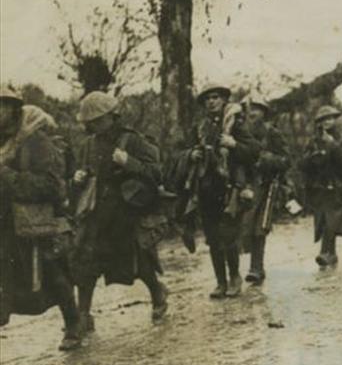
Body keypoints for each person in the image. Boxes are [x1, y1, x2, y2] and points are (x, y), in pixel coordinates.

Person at [71, 91, 169, 331]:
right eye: (90, 122)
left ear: (112, 116)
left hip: (127, 213)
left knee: (139, 263)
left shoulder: (132, 141)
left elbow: (157, 173)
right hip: (96, 215)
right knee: (86, 265)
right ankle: (83, 315)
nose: (94, 126)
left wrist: (129, 163)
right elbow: (83, 174)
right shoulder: (88, 145)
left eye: (99, 120)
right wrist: (78, 178)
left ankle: (158, 294)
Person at [0, 87, 81, 351]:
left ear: (13, 109)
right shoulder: (2, 143)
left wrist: (8, 176)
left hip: (36, 222)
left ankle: (73, 323)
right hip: (6, 225)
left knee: (53, 275)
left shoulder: (35, 141)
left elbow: (52, 186)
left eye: (1, 106)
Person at [180, 85, 261, 298]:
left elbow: (254, 151)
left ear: (224, 100)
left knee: (228, 235)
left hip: (230, 187)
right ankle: (220, 282)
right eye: (207, 99)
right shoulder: (200, 127)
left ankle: (234, 277)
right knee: (213, 238)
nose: (211, 102)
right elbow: (183, 151)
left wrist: (234, 144)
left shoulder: (235, 123)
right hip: (206, 189)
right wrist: (192, 154)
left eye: (215, 97)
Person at [299, 106, 342, 268]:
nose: (327, 122)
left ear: (336, 120)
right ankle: (330, 253)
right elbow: (302, 164)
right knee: (323, 219)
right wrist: (313, 156)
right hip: (319, 185)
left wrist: (332, 145)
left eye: (330, 118)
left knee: (332, 219)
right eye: (323, 119)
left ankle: (326, 252)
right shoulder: (314, 141)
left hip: (338, 184)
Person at [241, 97, 290, 285]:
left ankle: (256, 268)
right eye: (249, 109)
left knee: (259, 227)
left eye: (257, 109)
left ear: (264, 112)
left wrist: (266, 159)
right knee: (243, 226)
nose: (252, 113)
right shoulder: (240, 132)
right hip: (244, 184)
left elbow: (286, 160)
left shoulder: (272, 133)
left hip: (267, 185)